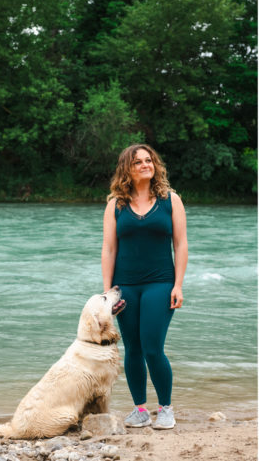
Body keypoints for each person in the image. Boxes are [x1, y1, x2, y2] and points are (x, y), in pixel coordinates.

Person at [101, 143, 188, 430]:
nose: (145, 165)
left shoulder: (170, 200)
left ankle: (165, 408)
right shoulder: (116, 205)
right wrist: (107, 292)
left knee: (152, 347)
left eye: (148, 160)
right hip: (125, 286)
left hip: (161, 283)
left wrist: (178, 285)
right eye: (138, 162)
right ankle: (140, 410)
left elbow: (181, 244)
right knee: (133, 349)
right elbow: (109, 249)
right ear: (128, 168)